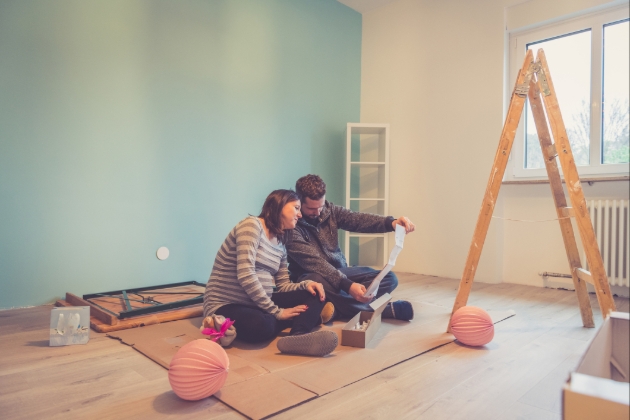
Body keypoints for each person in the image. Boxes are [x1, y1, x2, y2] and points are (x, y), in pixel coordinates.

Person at [203, 189, 338, 357]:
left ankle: (297, 336)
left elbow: (282, 285)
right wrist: (277, 312)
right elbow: (245, 274)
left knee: (315, 293)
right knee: (261, 325)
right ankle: (305, 320)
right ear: (280, 205)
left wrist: (307, 284)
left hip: (258, 303)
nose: (300, 214)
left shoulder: (281, 243)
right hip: (226, 303)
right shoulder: (252, 226)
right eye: (296, 207)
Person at [286, 175, 416, 321]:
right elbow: (315, 263)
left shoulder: (330, 211)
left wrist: (391, 223)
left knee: (389, 278)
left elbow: (358, 219)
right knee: (314, 280)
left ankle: (337, 308)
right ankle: (383, 310)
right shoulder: (291, 225)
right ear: (299, 202)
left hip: (341, 272)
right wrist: (348, 286)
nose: (317, 213)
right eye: (311, 208)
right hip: (310, 277)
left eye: (320, 207)